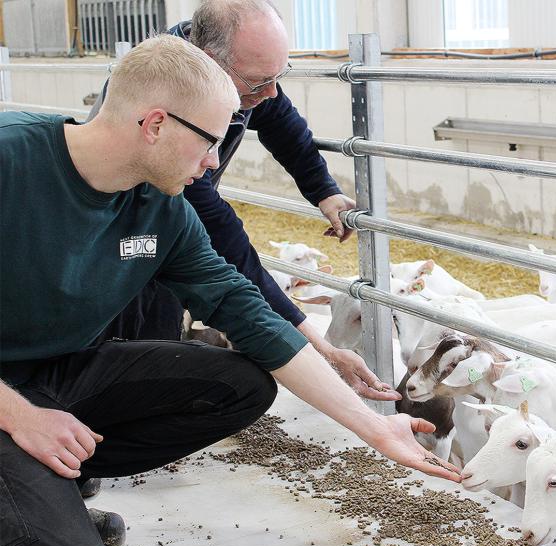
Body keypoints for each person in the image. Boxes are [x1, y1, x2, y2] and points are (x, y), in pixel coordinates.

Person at [0, 35, 459, 546]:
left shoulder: (163, 210)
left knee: (243, 385)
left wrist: (374, 430)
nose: (215, 162)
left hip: (54, 375)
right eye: (209, 141)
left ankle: (41, 482)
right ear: (155, 125)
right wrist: (23, 420)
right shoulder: (10, 161)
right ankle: (31, 489)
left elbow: (247, 313)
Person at [87, 0, 397, 404]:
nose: (270, 92)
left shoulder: (232, 66)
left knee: (163, 329)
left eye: (277, 77)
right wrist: (315, 345)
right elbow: (225, 240)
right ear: (211, 62)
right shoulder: (167, 92)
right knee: (130, 340)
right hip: (123, 232)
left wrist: (323, 189)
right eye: (257, 82)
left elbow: (282, 123)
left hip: (165, 226)